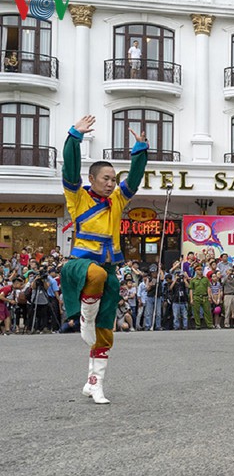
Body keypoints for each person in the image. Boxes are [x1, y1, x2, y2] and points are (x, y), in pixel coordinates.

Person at [60, 116, 148, 403]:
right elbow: (70, 168)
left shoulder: (118, 200)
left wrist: (140, 151)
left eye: (113, 179)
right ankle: (85, 318)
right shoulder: (77, 197)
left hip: (109, 269)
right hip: (82, 266)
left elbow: (134, 179)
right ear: (92, 180)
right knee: (95, 275)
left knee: (105, 332)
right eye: (106, 179)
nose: (111, 184)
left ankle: (94, 383)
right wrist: (74, 137)